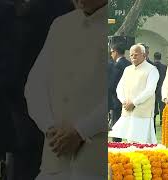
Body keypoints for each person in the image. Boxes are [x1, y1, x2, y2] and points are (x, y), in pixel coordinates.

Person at [25, 0, 107, 179]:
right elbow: (35, 85)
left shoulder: (121, 25)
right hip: (55, 159)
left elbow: (120, 93)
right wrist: (50, 128)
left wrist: (81, 131)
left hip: (96, 161)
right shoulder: (61, 25)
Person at [109, 44, 159, 144]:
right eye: (131, 55)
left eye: (136, 55)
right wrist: (124, 101)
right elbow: (119, 88)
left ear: (144, 55)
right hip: (127, 110)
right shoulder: (128, 69)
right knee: (129, 142)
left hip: (142, 112)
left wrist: (134, 103)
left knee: (143, 142)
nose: (133, 57)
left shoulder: (152, 69)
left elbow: (150, 90)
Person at [109, 43, 131, 142]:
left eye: (112, 52)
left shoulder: (117, 65)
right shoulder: (129, 64)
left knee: (116, 124)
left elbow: (113, 83)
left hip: (117, 100)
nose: (111, 55)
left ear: (116, 52)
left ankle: (116, 145)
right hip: (130, 98)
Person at [153, 52, 167, 127]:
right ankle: (162, 121)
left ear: (154, 57)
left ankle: (154, 122)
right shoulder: (164, 67)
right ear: (160, 58)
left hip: (154, 90)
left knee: (154, 107)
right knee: (162, 107)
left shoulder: (152, 66)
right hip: (162, 89)